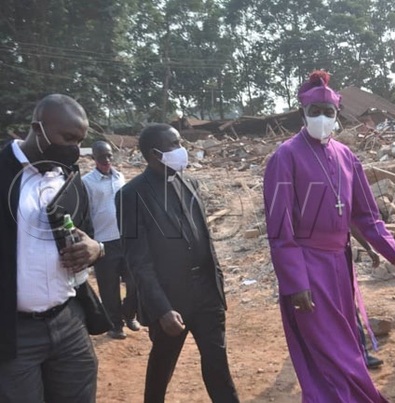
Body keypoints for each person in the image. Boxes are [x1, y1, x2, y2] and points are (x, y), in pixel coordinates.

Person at [263, 70, 395, 402]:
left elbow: (367, 216)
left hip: (341, 266)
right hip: (308, 268)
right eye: (315, 111)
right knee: (329, 352)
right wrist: (295, 282)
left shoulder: (347, 156)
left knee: (346, 346)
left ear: (337, 115)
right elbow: (280, 229)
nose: (323, 118)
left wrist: (393, 251)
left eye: (329, 112)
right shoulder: (285, 156)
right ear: (303, 113)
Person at [115, 124, 238, 402]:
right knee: (162, 366)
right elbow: (138, 260)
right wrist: (161, 309)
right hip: (170, 300)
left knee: (218, 366)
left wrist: (217, 290)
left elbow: (204, 239)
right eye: (174, 144)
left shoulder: (189, 182)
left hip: (206, 293)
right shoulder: (131, 195)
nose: (181, 149)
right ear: (154, 154)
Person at [0, 94, 103, 401]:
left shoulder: (69, 177)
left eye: (80, 140)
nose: (74, 148)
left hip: (69, 322)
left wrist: (95, 249)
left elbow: (90, 235)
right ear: (37, 128)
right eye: (68, 137)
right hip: (14, 334)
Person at [82, 141, 140, 340]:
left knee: (135, 281)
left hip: (125, 239)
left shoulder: (120, 177)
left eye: (108, 156)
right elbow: (85, 213)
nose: (106, 161)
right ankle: (116, 325)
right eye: (101, 157)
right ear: (93, 159)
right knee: (109, 288)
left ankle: (129, 312)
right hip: (103, 243)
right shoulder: (87, 182)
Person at [350, 226, 384, 370]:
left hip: (339, 259)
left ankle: (360, 353)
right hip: (313, 259)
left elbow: (349, 221)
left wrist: (368, 247)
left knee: (349, 307)